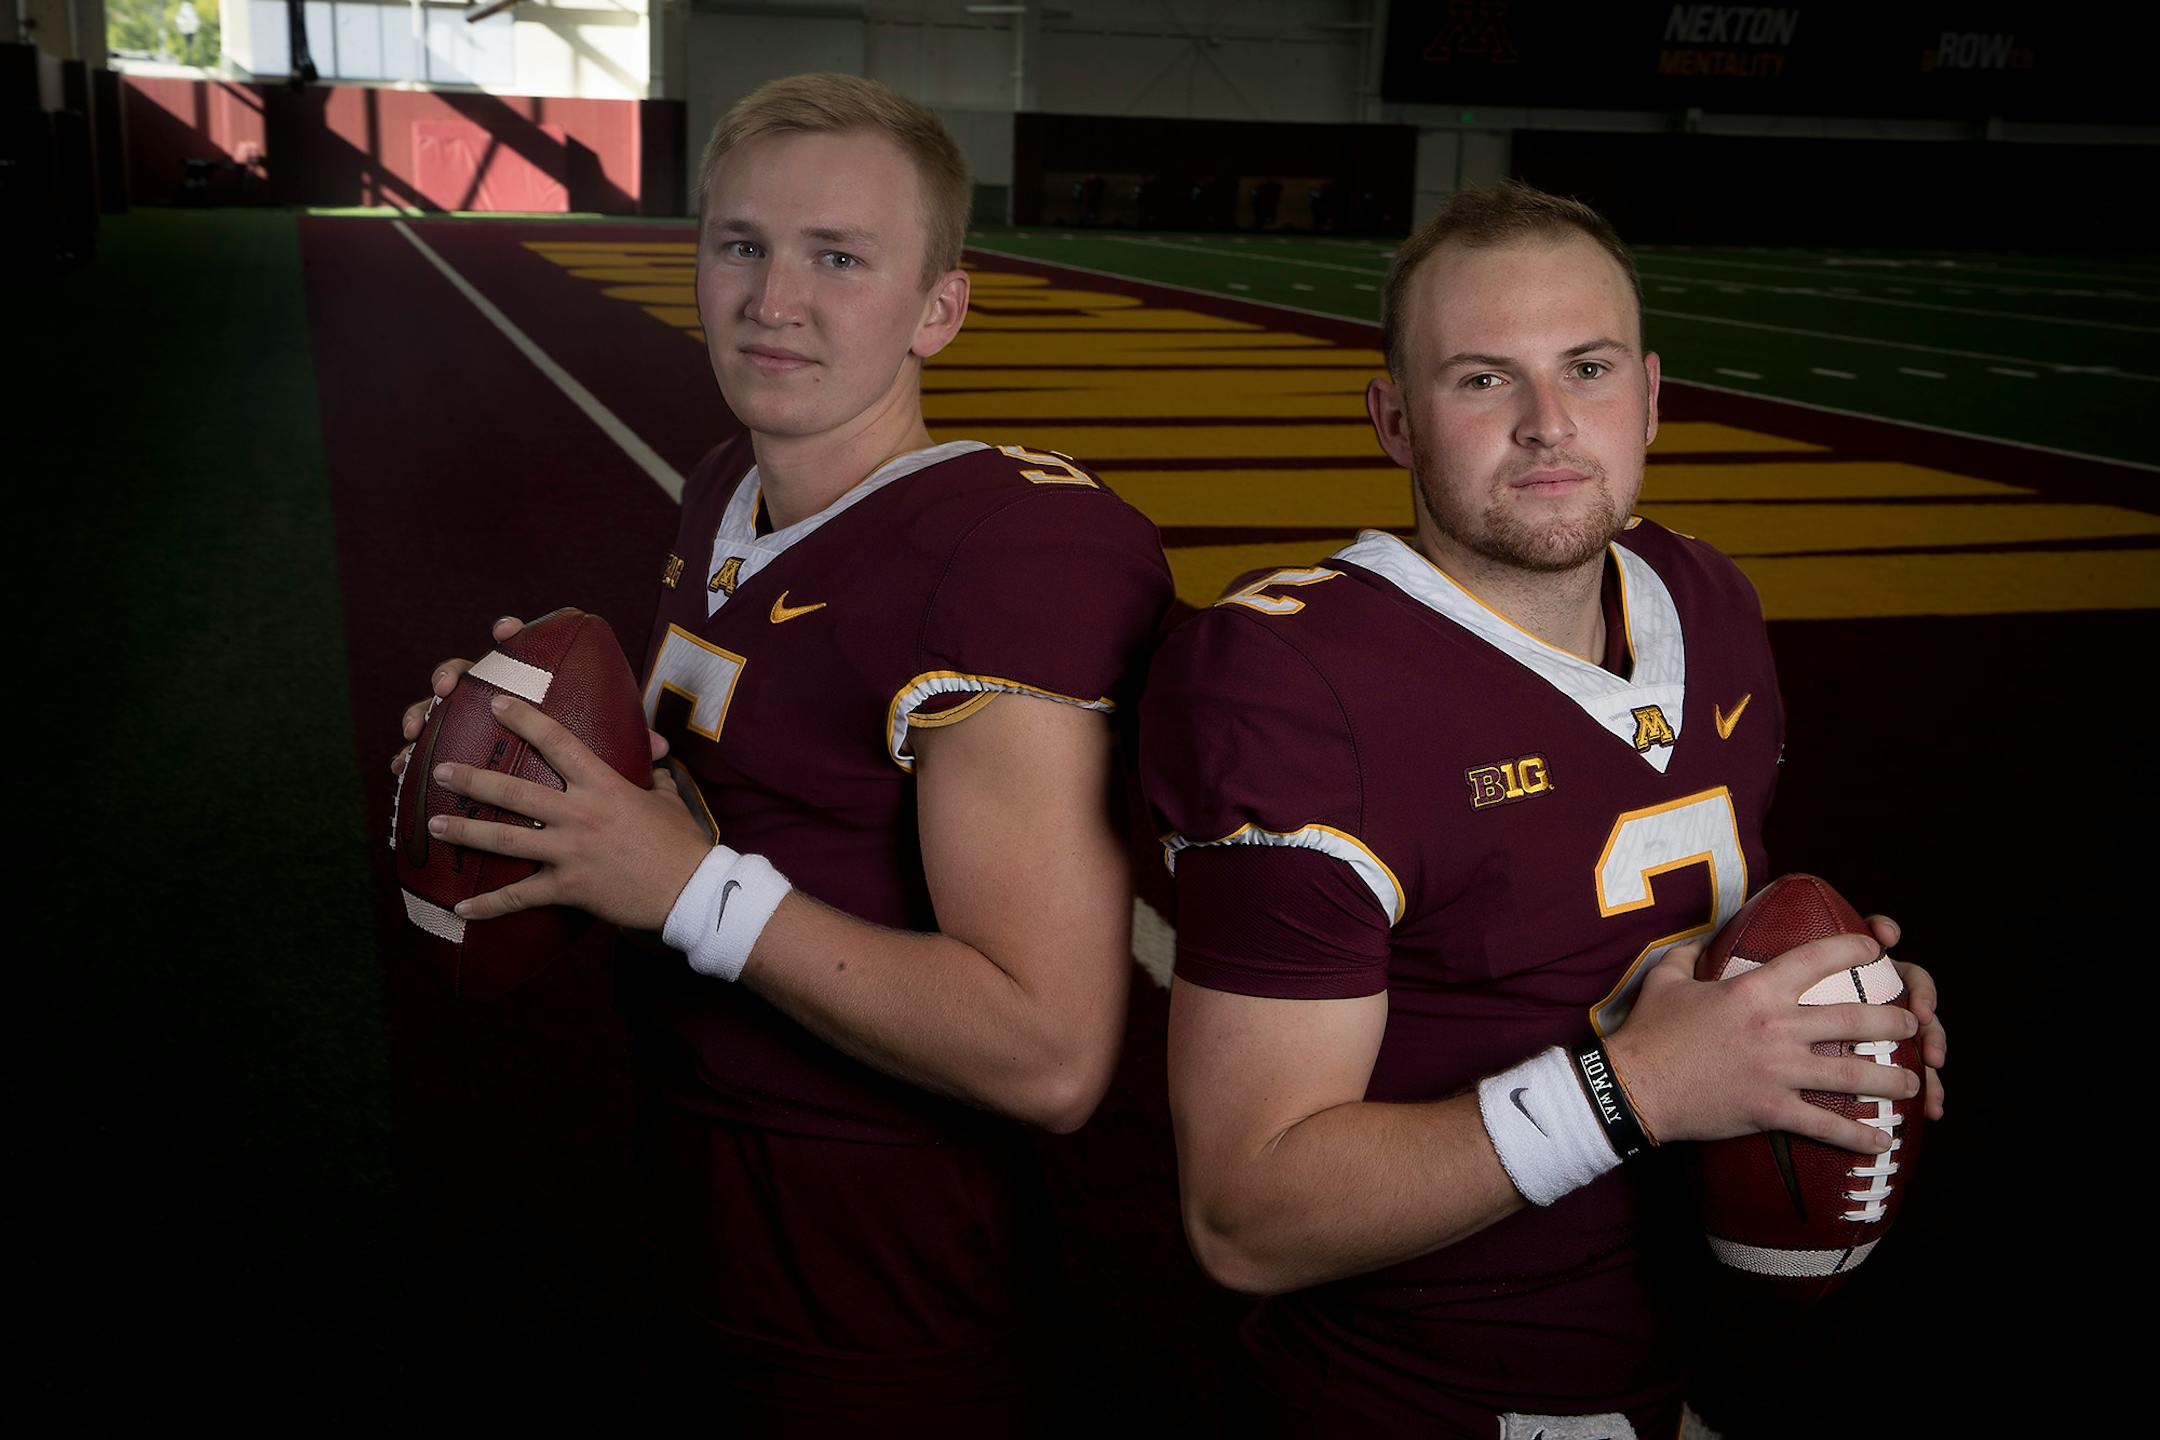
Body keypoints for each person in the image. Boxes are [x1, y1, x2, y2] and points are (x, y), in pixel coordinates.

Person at [393, 74, 1172, 1430]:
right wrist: (555, 777)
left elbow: (1049, 1054)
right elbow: (741, 799)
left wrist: (679, 884)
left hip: (883, 1261)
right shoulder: (726, 487)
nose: (775, 300)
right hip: (703, 1179)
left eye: (840, 258)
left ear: (941, 307)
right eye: (741, 245)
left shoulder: (1005, 555)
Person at [1138, 183, 1946, 1437]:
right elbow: (1248, 1215)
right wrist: (1640, 1090)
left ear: (1654, 395)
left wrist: (1815, 1017)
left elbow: (1661, 947)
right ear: (1394, 420)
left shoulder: (1706, 597)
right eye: (1481, 379)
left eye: (1587, 367)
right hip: (1401, 1402)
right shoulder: (1292, 678)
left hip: (1650, 1366)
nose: (1548, 424)